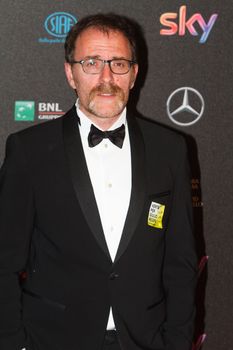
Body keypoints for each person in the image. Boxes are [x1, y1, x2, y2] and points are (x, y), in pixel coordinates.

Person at [0, 13, 197, 350]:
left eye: (118, 63)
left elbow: (181, 264)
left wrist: (177, 341)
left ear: (134, 74)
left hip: (145, 339)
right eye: (91, 63)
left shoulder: (171, 149)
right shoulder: (28, 151)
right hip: (53, 339)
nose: (107, 77)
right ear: (70, 73)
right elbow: (4, 261)